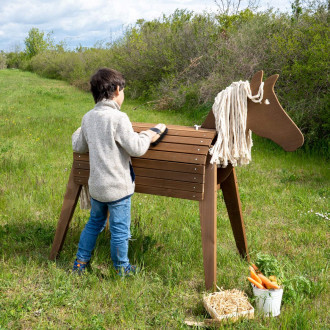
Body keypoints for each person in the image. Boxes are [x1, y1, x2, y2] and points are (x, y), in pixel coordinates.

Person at [71, 67, 166, 275]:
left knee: (93, 224)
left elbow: (78, 145)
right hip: (118, 190)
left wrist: (79, 131)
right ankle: (122, 268)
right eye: (122, 90)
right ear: (115, 90)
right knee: (120, 231)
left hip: (97, 187)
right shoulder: (119, 118)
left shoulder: (88, 117)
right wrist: (149, 134)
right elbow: (137, 148)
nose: (123, 95)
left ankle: (80, 263)